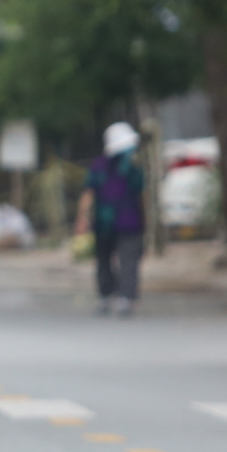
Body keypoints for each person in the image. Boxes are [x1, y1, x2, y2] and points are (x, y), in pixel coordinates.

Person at [77, 122, 147, 316]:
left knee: (106, 260)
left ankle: (107, 296)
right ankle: (125, 298)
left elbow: (88, 194)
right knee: (127, 260)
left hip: (105, 221)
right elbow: (142, 197)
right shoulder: (133, 169)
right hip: (127, 221)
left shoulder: (99, 167)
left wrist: (82, 218)